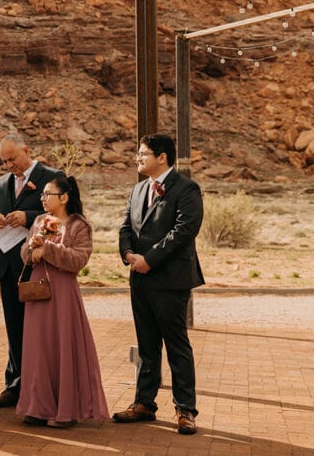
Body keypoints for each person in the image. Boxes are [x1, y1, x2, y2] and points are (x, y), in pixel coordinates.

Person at [113, 133, 204, 435]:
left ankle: (185, 409)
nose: (137, 159)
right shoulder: (138, 189)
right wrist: (128, 254)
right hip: (139, 278)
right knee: (147, 345)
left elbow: (184, 231)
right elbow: (126, 224)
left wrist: (149, 259)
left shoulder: (187, 188)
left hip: (169, 279)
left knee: (177, 345)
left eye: (142, 154)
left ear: (162, 156)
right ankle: (144, 403)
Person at [16, 172, 108, 428]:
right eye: (42, 194)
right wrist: (33, 248)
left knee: (62, 346)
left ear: (64, 197)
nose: (43, 198)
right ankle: (38, 407)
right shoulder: (39, 221)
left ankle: (65, 411)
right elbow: (25, 255)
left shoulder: (79, 225)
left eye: (48, 194)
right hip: (38, 291)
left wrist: (49, 248)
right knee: (38, 349)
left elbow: (79, 260)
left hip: (64, 293)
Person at [0, 135, 59, 408]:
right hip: (8, 267)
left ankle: (42, 388)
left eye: (12, 158)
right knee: (14, 329)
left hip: (37, 265)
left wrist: (28, 217)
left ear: (27, 150)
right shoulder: (1, 183)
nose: (8, 165)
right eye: (4, 160)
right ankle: (14, 386)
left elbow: (63, 212)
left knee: (40, 330)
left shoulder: (51, 176)